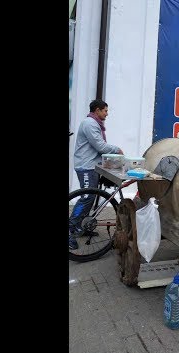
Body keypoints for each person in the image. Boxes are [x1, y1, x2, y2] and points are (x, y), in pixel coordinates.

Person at [69, 99, 123, 250]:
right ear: (97, 110)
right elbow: (99, 146)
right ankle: (70, 228)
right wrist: (117, 150)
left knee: (90, 197)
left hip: (91, 165)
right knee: (87, 197)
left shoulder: (95, 124)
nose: (107, 113)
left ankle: (78, 227)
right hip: (86, 166)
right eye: (105, 110)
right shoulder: (90, 123)